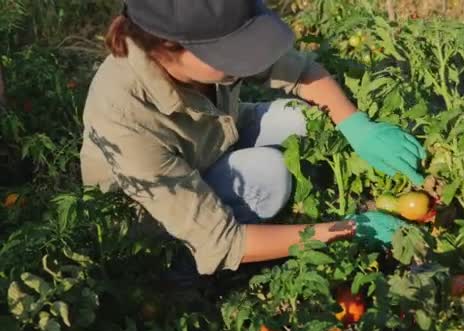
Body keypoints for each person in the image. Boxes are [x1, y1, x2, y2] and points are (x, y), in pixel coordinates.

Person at [79, 0, 426, 277]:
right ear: (167, 46)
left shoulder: (200, 47)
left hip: (213, 140)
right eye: (230, 52)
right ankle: (183, 272)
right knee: (268, 173)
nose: (244, 60)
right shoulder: (123, 115)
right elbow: (222, 241)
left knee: (300, 117)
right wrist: (346, 229)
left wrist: (356, 126)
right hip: (162, 218)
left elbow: (299, 70)